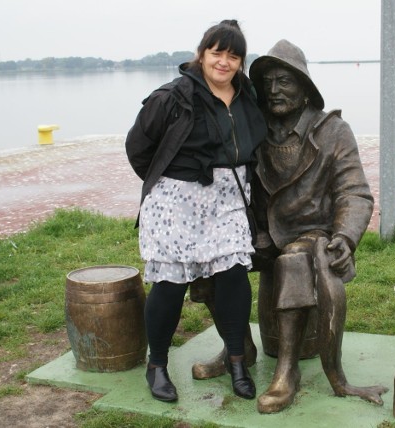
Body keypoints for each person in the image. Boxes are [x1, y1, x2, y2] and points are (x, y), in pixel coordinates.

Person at [125, 19, 267, 402]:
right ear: (202, 53)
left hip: (228, 198)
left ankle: (237, 360)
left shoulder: (245, 95)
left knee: (235, 276)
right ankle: (157, 366)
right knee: (171, 284)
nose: (223, 62)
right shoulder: (173, 97)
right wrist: (172, 180)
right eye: (216, 52)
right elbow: (138, 148)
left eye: (232, 56)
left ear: (240, 61)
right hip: (177, 199)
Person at [247, 39, 388, 413]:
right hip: (261, 232)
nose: (274, 90)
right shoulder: (253, 128)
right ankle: (237, 347)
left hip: (313, 234)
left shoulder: (333, 131)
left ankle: (287, 370)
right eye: (268, 82)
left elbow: (354, 192)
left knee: (293, 258)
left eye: (285, 81)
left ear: (305, 88)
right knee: (212, 256)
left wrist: (344, 236)